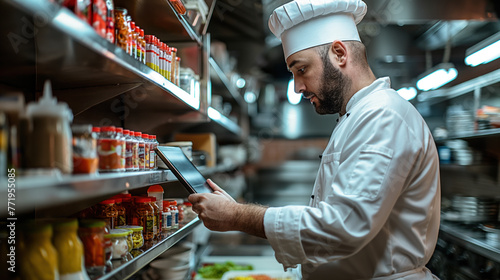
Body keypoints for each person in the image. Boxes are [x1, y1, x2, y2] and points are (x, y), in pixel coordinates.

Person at [188, 0, 441, 279]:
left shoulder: (383, 116)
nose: (297, 87)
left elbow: (343, 228)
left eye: (301, 69)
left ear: (339, 53)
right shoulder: (356, 117)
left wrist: (236, 216)